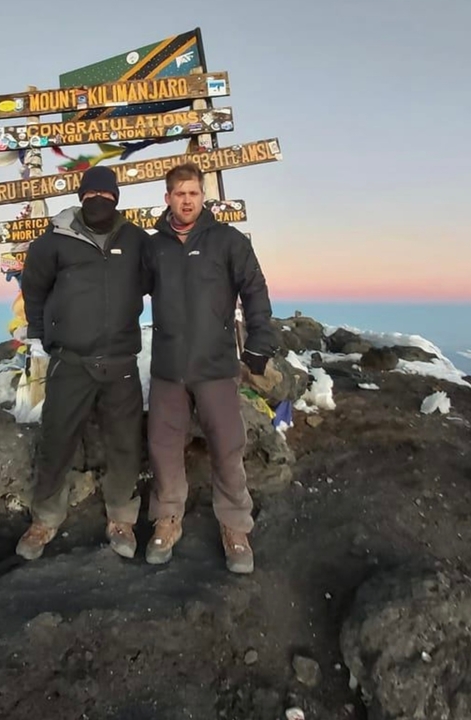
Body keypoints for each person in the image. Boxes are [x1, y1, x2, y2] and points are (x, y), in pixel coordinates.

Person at [143, 162, 278, 574]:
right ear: (167, 198)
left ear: (203, 197)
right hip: (168, 367)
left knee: (227, 447)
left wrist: (260, 343)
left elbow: (254, 289)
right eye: (179, 193)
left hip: (216, 364)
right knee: (164, 448)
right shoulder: (154, 247)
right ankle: (167, 519)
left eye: (194, 193)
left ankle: (235, 527)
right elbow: (122, 292)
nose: (187, 200)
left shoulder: (227, 241)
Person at [17, 165, 149, 561]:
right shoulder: (54, 241)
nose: (100, 201)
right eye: (93, 195)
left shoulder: (137, 240)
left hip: (121, 360)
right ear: (81, 196)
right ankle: (44, 519)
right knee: (57, 440)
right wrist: (44, 336)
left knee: (125, 444)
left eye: (107, 196)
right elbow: (33, 289)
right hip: (70, 360)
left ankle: (122, 518)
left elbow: (162, 281)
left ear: (117, 199)